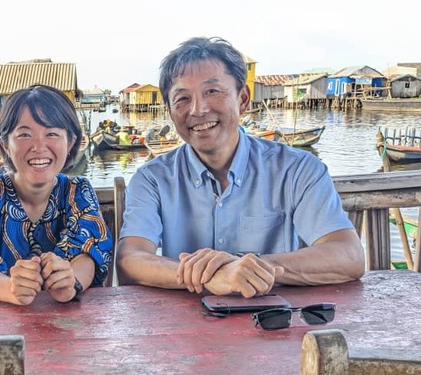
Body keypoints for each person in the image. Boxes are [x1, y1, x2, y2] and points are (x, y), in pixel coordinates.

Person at [116, 37, 364, 297]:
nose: (198, 109)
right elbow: (129, 260)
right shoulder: (152, 178)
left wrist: (251, 268)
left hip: (274, 321)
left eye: (212, 91)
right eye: (182, 99)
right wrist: (212, 276)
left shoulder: (297, 170)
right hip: (183, 326)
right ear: (170, 110)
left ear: (243, 98)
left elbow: (348, 255)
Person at [0, 84, 113, 305]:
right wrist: (12, 290)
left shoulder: (78, 191)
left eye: (52, 133)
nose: (38, 146)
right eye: (24, 134)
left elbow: (88, 252)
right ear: (5, 144)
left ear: (71, 141)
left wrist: (71, 282)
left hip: (66, 324)